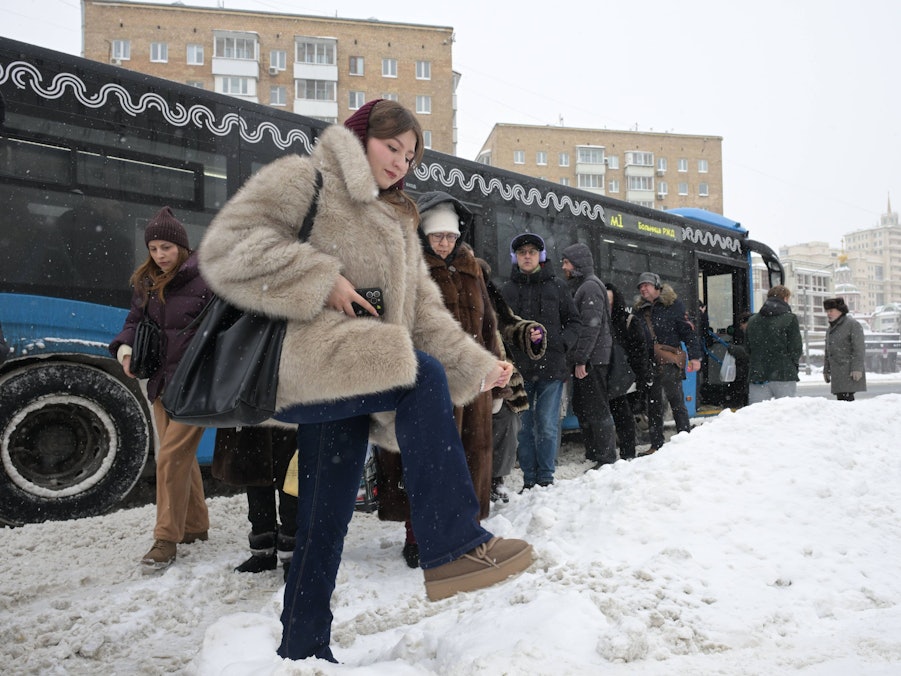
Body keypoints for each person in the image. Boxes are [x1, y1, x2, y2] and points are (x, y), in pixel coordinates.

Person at [197, 99, 532, 663]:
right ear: (359, 137)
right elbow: (225, 247)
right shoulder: (306, 180)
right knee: (419, 373)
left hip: (357, 374)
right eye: (391, 147)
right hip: (307, 360)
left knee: (322, 524)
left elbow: (424, 315)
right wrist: (319, 277)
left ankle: (302, 649)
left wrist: (479, 368)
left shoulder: (401, 221)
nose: (401, 162)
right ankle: (452, 544)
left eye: (411, 154)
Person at [376, 191, 500, 568]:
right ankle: (420, 536)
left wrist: (496, 370)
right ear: (424, 237)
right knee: (424, 462)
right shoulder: (408, 267)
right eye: (436, 237)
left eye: (450, 236)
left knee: (469, 459)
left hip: (473, 383)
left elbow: (489, 325)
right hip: (428, 381)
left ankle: (465, 531)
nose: (444, 243)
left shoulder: (473, 268)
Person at [109, 207, 212, 570]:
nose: (159, 255)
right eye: (153, 248)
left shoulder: (206, 279)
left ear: (181, 246)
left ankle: (166, 538)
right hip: (161, 382)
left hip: (195, 385)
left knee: (169, 457)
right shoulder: (146, 283)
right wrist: (125, 347)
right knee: (179, 457)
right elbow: (133, 322)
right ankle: (197, 525)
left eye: (166, 247)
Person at [501, 232, 581, 489]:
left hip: (552, 369)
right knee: (523, 430)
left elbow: (574, 322)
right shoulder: (506, 290)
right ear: (516, 257)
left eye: (532, 252)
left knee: (546, 426)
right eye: (522, 252)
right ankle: (529, 480)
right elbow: (499, 328)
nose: (527, 256)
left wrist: (561, 343)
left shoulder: (557, 286)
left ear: (540, 256)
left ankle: (545, 479)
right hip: (520, 371)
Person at [476, 257, 546, 503]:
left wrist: (530, 332)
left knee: (507, 422)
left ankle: (495, 481)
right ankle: (471, 483)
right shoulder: (452, 298)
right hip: (467, 374)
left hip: (499, 376)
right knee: (468, 430)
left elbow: (509, 323)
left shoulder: (491, 299)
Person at [212, 426, 298, 580]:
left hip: (287, 410)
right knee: (256, 468)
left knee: (290, 473)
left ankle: (294, 552)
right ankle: (263, 549)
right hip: (257, 409)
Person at [560, 243, 616, 468]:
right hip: (589, 358)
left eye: (566, 262)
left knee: (597, 407)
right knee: (584, 406)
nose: (563, 267)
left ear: (577, 264)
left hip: (593, 360)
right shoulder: (583, 285)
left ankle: (605, 457)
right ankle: (594, 453)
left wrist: (581, 359)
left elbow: (590, 327)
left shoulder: (590, 287)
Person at [633, 272, 702, 455]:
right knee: (653, 405)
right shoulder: (639, 311)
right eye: (640, 286)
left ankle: (684, 439)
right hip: (648, 364)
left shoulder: (674, 305)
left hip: (669, 362)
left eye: (646, 285)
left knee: (676, 402)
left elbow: (688, 333)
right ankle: (656, 445)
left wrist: (695, 357)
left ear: (657, 286)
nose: (643, 289)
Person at [606, 282, 652, 460]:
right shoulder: (598, 321)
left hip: (624, 376)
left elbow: (640, 352)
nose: (608, 305)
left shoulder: (628, 320)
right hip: (605, 373)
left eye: (611, 301)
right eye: (605, 301)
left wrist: (641, 377)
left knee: (623, 416)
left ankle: (628, 454)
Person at [744, 285, 803, 404]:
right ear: (785, 299)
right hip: (784, 373)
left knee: (757, 414)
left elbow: (748, 348)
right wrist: (791, 363)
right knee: (786, 413)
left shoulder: (753, 320)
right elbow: (796, 348)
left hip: (758, 375)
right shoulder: (790, 319)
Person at [823, 297, 867, 401]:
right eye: (827, 311)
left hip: (848, 372)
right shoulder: (831, 329)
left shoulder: (852, 325)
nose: (828, 314)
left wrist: (857, 368)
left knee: (847, 401)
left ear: (840, 311)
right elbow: (828, 352)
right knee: (842, 401)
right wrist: (826, 370)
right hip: (837, 373)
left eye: (831, 311)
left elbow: (859, 349)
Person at [725, 311, 751, 409]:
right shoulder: (753, 332)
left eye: (741, 324)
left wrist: (733, 349)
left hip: (749, 370)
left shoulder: (754, 333)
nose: (741, 328)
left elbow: (748, 352)